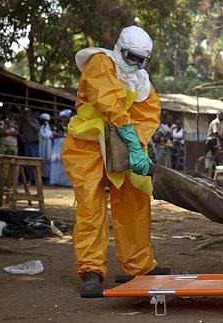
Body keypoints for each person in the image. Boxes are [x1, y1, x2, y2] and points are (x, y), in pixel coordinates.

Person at [62, 25, 167, 296]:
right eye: (132, 58)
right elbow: (110, 102)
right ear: (120, 49)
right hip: (87, 146)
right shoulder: (100, 62)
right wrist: (131, 139)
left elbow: (148, 114)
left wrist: (137, 146)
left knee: (135, 199)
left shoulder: (142, 81)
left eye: (142, 60)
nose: (137, 64)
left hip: (120, 145)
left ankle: (139, 265)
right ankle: (91, 271)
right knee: (90, 206)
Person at [49, 109, 71, 186]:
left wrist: (61, 135)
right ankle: (55, 181)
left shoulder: (71, 125)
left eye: (65, 117)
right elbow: (54, 134)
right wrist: (63, 135)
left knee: (66, 163)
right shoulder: (57, 125)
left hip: (67, 146)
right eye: (62, 117)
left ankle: (67, 183)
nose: (63, 119)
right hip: (57, 146)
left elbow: (71, 134)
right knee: (56, 163)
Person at [19, 107, 40, 182]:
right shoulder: (21, 122)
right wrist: (20, 136)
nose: (26, 114)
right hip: (26, 144)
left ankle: (36, 179)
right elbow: (19, 131)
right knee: (27, 162)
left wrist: (28, 121)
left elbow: (37, 129)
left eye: (27, 113)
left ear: (30, 113)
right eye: (24, 113)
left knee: (35, 161)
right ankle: (30, 179)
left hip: (34, 143)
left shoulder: (34, 120)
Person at [38, 113, 53, 181]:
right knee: (41, 162)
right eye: (44, 120)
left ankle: (47, 178)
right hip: (41, 147)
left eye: (47, 120)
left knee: (48, 162)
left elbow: (47, 135)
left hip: (48, 148)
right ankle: (41, 177)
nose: (45, 122)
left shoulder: (50, 129)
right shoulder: (40, 128)